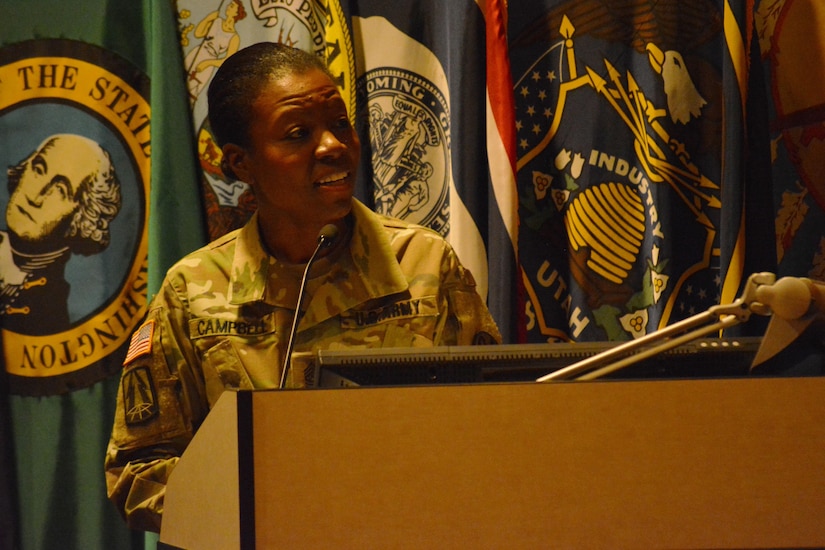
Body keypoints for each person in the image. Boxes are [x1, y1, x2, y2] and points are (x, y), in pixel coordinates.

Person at [104, 42, 501, 533]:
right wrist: (263, 508)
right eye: (298, 134)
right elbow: (138, 470)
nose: (333, 145)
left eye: (339, 123)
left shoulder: (425, 264)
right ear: (242, 164)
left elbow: (492, 430)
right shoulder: (192, 289)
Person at [1, 133, 121, 334]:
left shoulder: (51, 309)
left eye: (60, 190)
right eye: (39, 170)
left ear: (81, 216)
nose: (36, 196)